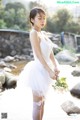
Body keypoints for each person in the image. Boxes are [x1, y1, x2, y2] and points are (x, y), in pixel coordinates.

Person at [18, 7, 60, 120]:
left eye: (44, 18)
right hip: (38, 70)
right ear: (32, 19)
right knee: (37, 105)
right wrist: (49, 70)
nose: (42, 21)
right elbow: (38, 54)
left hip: (46, 70)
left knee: (42, 102)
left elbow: (50, 53)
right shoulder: (33, 33)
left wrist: (55, 66)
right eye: (39, 18)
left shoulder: (43, 34)